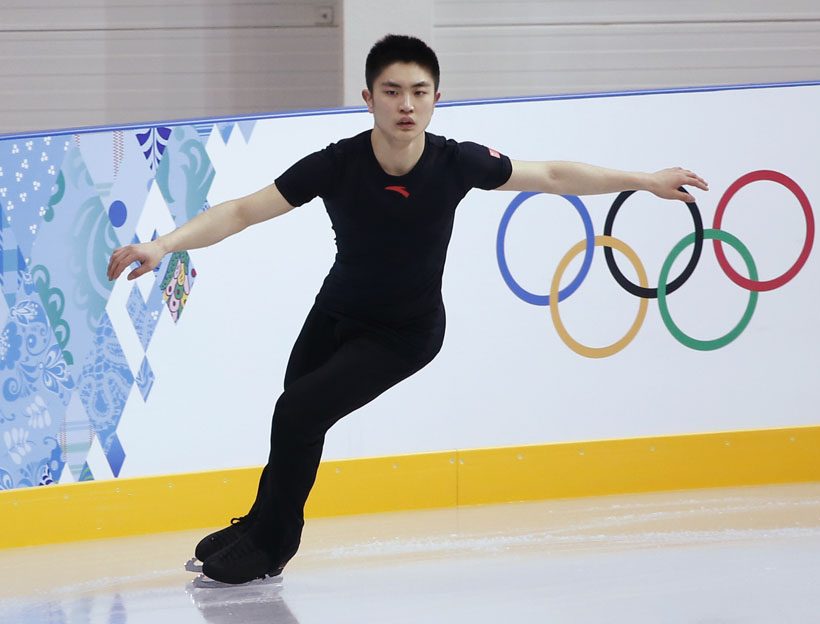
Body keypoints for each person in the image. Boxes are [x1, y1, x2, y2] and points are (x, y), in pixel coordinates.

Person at [106, 34, 707, 584]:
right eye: (392, 91)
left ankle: (273, 546)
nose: (406, 105)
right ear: (368, 97)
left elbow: (550, 173)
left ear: (436, 98)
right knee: (295, 416)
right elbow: (243, 210)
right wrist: (163, 245)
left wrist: (642, 179)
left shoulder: (457, 162)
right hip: (334, 313)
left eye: (419, 92)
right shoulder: (337, 163)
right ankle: (259, 522)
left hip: (405, 333)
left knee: (297, 413)